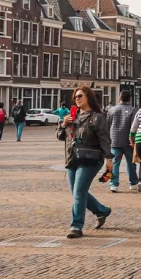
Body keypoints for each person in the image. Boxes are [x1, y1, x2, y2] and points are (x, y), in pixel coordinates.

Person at [57, 86, 113, 238]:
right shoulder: (71, 116)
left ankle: (76, 226)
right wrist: (63, 124)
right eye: (75, 96)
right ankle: (101, 210)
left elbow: (105, 139)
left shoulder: (97, 117)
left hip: (90, 159)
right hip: (72, 159)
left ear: (88, 97)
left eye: (80, 95)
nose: (77, 98)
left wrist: (109, 159)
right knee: (76, 192)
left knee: (79, 192)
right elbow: (61, 136)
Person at [106, 89, 138, 193]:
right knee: (131, 163)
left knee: (115, 163)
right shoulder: (133, 110)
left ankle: (113, 184)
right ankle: (133, 183)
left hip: (115, 140)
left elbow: (108, 125)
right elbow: (134, 127)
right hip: (129, 141)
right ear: (130, 99)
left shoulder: (112, 110)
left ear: (119, 98)